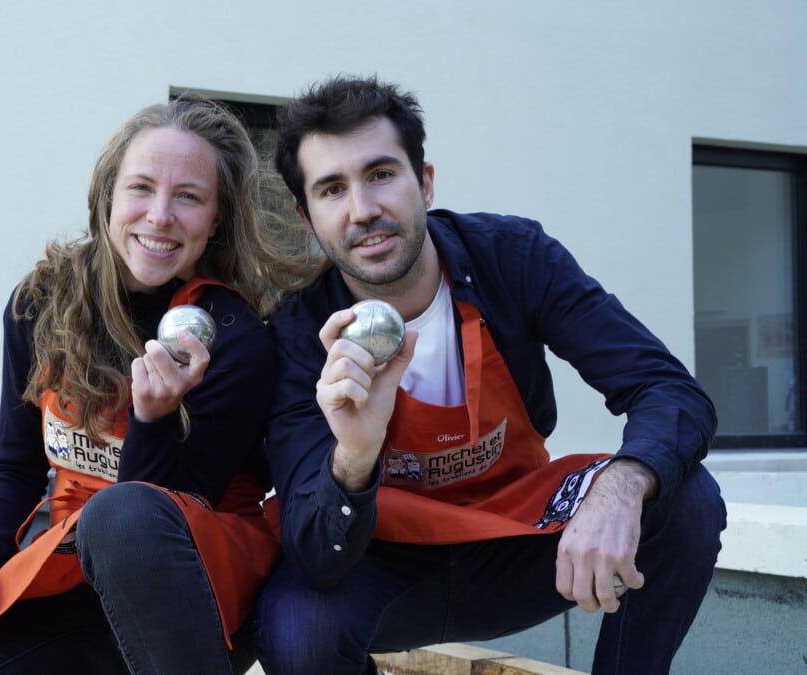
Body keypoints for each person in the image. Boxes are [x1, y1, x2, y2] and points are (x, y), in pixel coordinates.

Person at [253, 75, 727, 675]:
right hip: (381, 567)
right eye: (331, 189)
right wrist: (351, 457)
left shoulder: (514, 258)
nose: (363, 209)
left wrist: (622, 485)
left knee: (684, 497)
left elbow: (669, 389)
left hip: (518, 539)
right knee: (295, 628)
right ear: (306, 217)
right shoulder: (299, 336)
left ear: (424, 182)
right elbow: (316, 553)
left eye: (381, 175)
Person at [0, 95, 310, 674]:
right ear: (107, 194)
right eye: (140, 188)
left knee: (125, 517)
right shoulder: (40, 304)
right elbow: (15, 463)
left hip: (191, 583)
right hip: (69, 562)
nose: (159, 216)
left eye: (188, 197)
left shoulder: (232, 336)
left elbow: (149, 528)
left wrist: (154, 420)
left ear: (217, 220)